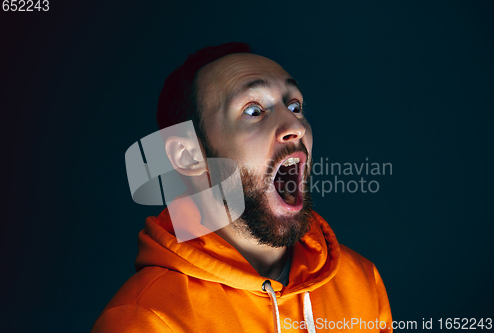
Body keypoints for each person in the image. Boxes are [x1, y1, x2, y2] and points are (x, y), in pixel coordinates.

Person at [90, 43, 393, 333]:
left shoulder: (362, 283)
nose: (296, 126)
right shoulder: (145, 321)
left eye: (295, 105)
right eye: (254, 110)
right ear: (188, 156)